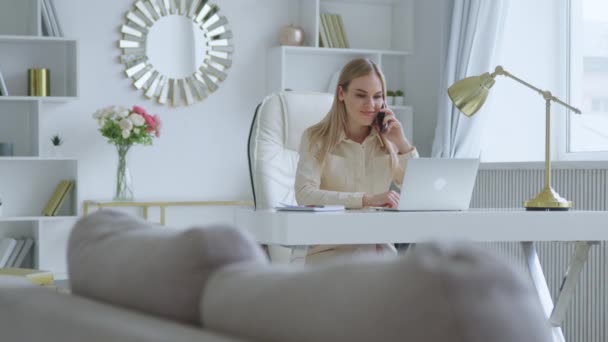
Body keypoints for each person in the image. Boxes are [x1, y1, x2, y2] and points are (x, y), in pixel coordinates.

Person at [294, 58, 418, 264]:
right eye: (361, 95)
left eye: (378, 97)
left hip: (379, 252)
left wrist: (402, 143)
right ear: (341, 94)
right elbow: (304, 194)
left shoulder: (388, 141)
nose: (371, 105)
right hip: (331, 252)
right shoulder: (316, 138)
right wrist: (365, 199)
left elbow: (416, 191)